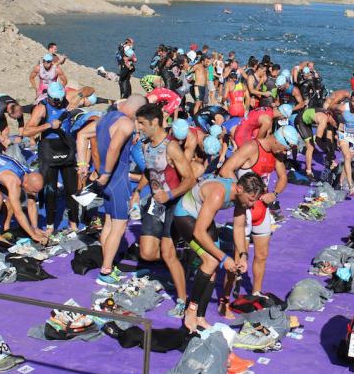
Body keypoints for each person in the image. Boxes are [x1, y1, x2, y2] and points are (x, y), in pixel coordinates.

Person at [217, 126, 297, 314]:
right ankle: (225, 300)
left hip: (262, 210)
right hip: (245, 209)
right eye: (285, 148)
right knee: (239, 258)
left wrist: (275, 194)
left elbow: (283, 177)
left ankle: (256, 293)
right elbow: (225, 170)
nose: (284, 153)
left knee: (262, 255)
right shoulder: (251, 148)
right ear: (278, 140)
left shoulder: (276, 154)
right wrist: (243, 192)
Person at [174, 173, 265, 331]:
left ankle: (200, 317)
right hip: (185, 216)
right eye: (251, 199)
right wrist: (224, 258)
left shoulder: (239, 198)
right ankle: (190, 310)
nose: (252, 204)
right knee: (212, 261)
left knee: (213, 270)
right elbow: (199, 232)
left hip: (202, 218)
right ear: (239, 188)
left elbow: (238, 229)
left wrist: (243, 256)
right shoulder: (218, 193)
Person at [131, 104, 195, 318]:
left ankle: (182, 300)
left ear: (155, 122)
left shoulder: (171, 147)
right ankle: (181, 257)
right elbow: (149, 173)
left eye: (141, 123)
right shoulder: (146, 145)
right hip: (155, 203)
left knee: (167, 253)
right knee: (147, 253)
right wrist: (137, 192)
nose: (138, 127)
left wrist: (169, 195)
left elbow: (190, 179)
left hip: (174, 202)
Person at [76, 94, 147, 285]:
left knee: (108, 222)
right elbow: (114, 149)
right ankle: (106, 271)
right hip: (117, 181)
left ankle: (106, 262)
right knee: (119, 226)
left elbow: (81, 135)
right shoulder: (126, 124)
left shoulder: (106, 117)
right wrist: (107, 173)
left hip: (106, 181)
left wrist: (82, 163)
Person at [23, 82, 79, 234]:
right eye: (55, 100)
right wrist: (48, 125)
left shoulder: (67, 99)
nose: (59, 102)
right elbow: (26, 131)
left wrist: (79, 96)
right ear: (48, 97)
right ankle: (50, 225)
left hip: (66, 147)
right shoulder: (42, 108)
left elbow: (90, 91)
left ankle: (73, 223)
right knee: (50, 190)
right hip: (49, 149)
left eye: (60, 99)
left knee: (72, 189)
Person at [0, 153, 47, 244]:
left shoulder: (28, 175)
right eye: (33, 191)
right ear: (26, 184)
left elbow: (32, 204)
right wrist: (33, 235)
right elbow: (18, 213)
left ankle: (6, 229)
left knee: (12, 200)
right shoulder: (14, 182)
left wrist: (35, 228)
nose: (34, 194)